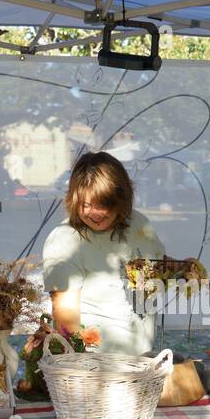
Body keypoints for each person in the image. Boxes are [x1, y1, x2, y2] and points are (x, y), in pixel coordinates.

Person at [42, 151, 165, 355]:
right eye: (86, 205)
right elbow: (65, 318)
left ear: (120, 199)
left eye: (103, 204)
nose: (95, 213)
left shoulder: (139, 224)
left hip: (144, 357)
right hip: (96, 366)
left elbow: (156, 269)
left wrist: (183, 271)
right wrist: (78, 369)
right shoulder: (65, 240)